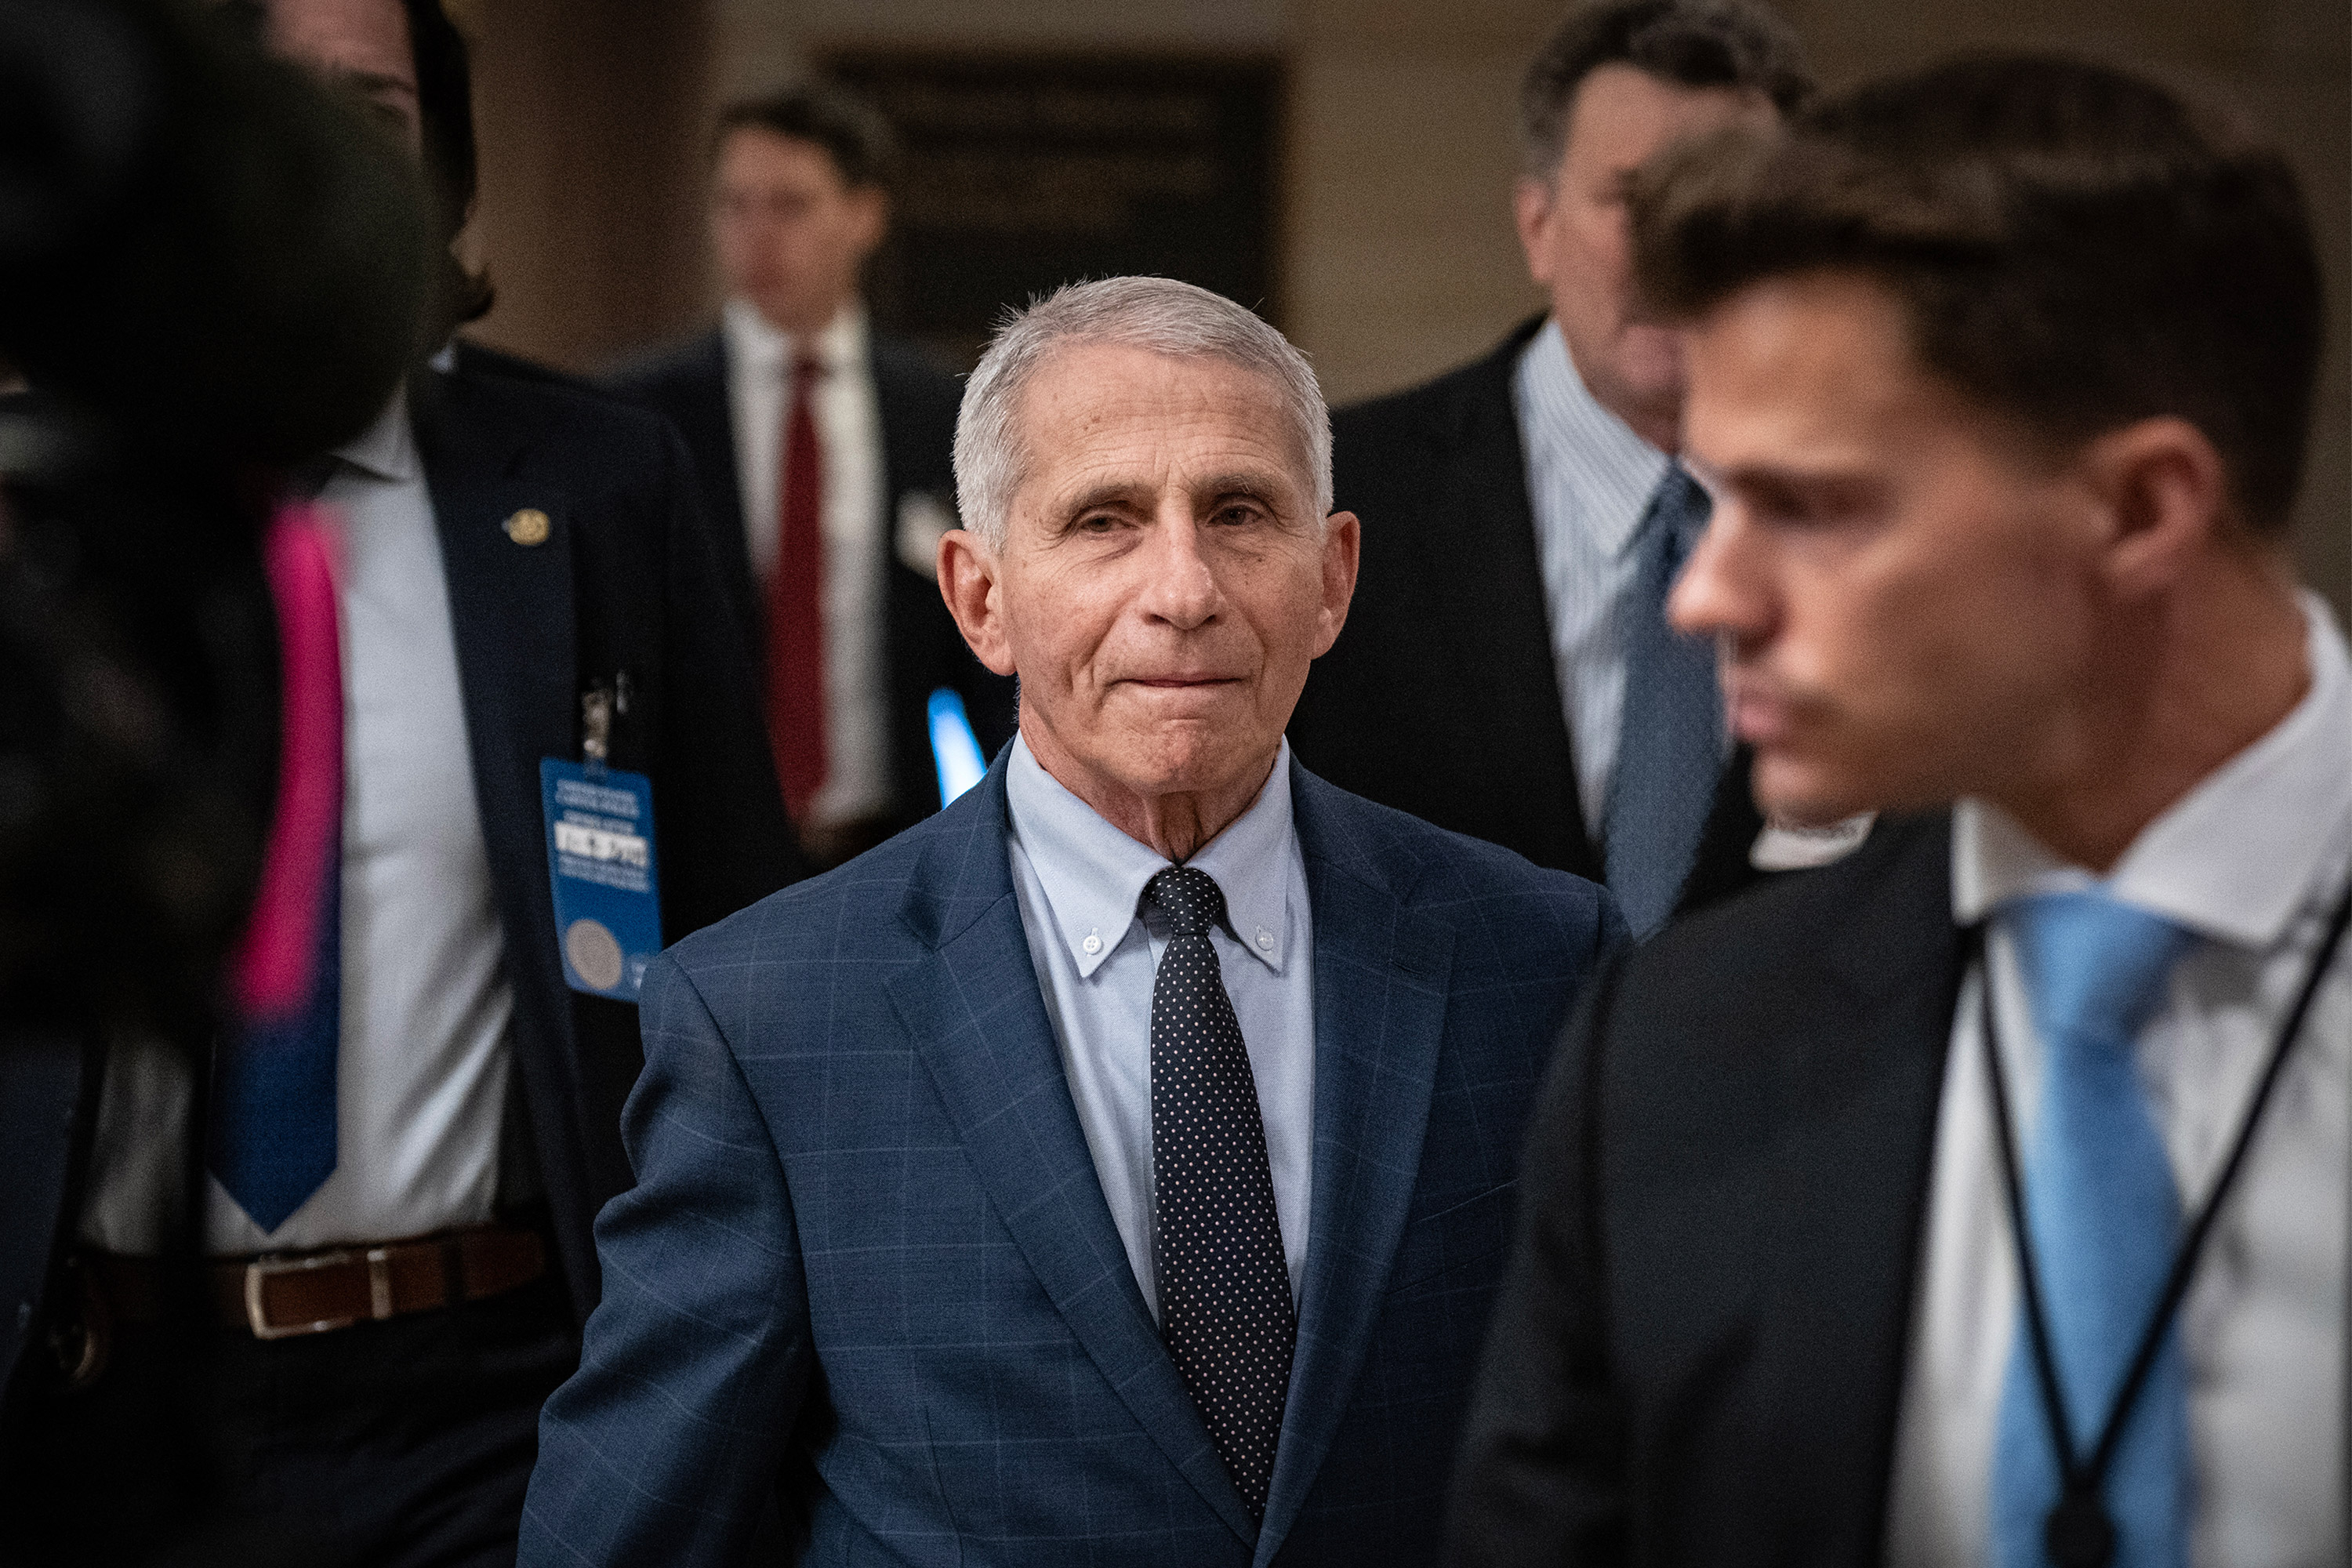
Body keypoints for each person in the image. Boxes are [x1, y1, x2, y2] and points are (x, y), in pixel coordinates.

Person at [520, 277, 1624, 1567]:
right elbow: (630, 1536)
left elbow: (1623, 1467)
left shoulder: (1543, 960)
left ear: (1331, 581)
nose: (1184, 587)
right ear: (980, 598)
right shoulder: (770, 1018)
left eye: (1240, 512)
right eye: (1104, 520)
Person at [1446, 53, 2347, 1567]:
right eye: (1714, 498)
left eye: (1811, 508)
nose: (1705, 594)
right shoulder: (1671, 1051)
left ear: (2138, 509)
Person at [1, 1, 802, 1562]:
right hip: (78, 1402)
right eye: (259, 109)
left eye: (371, 117)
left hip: (491, 1411)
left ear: (443, 176)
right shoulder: (30, 509)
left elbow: (742, 957)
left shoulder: (595, 488)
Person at [1287, 0, 1816, 938]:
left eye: (1730, 204)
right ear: (1538, 226)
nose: (1680, 248)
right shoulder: (1333, 491)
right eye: (1636, 200)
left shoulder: (1869, 514)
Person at [606, 83, 1016, 869]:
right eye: (736, 205)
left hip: (885, 838)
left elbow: (988, 652)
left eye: (790, 206)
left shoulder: (941, 410)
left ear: (865, 215)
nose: (757, 235)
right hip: (696, 848)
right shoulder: (641, 414)